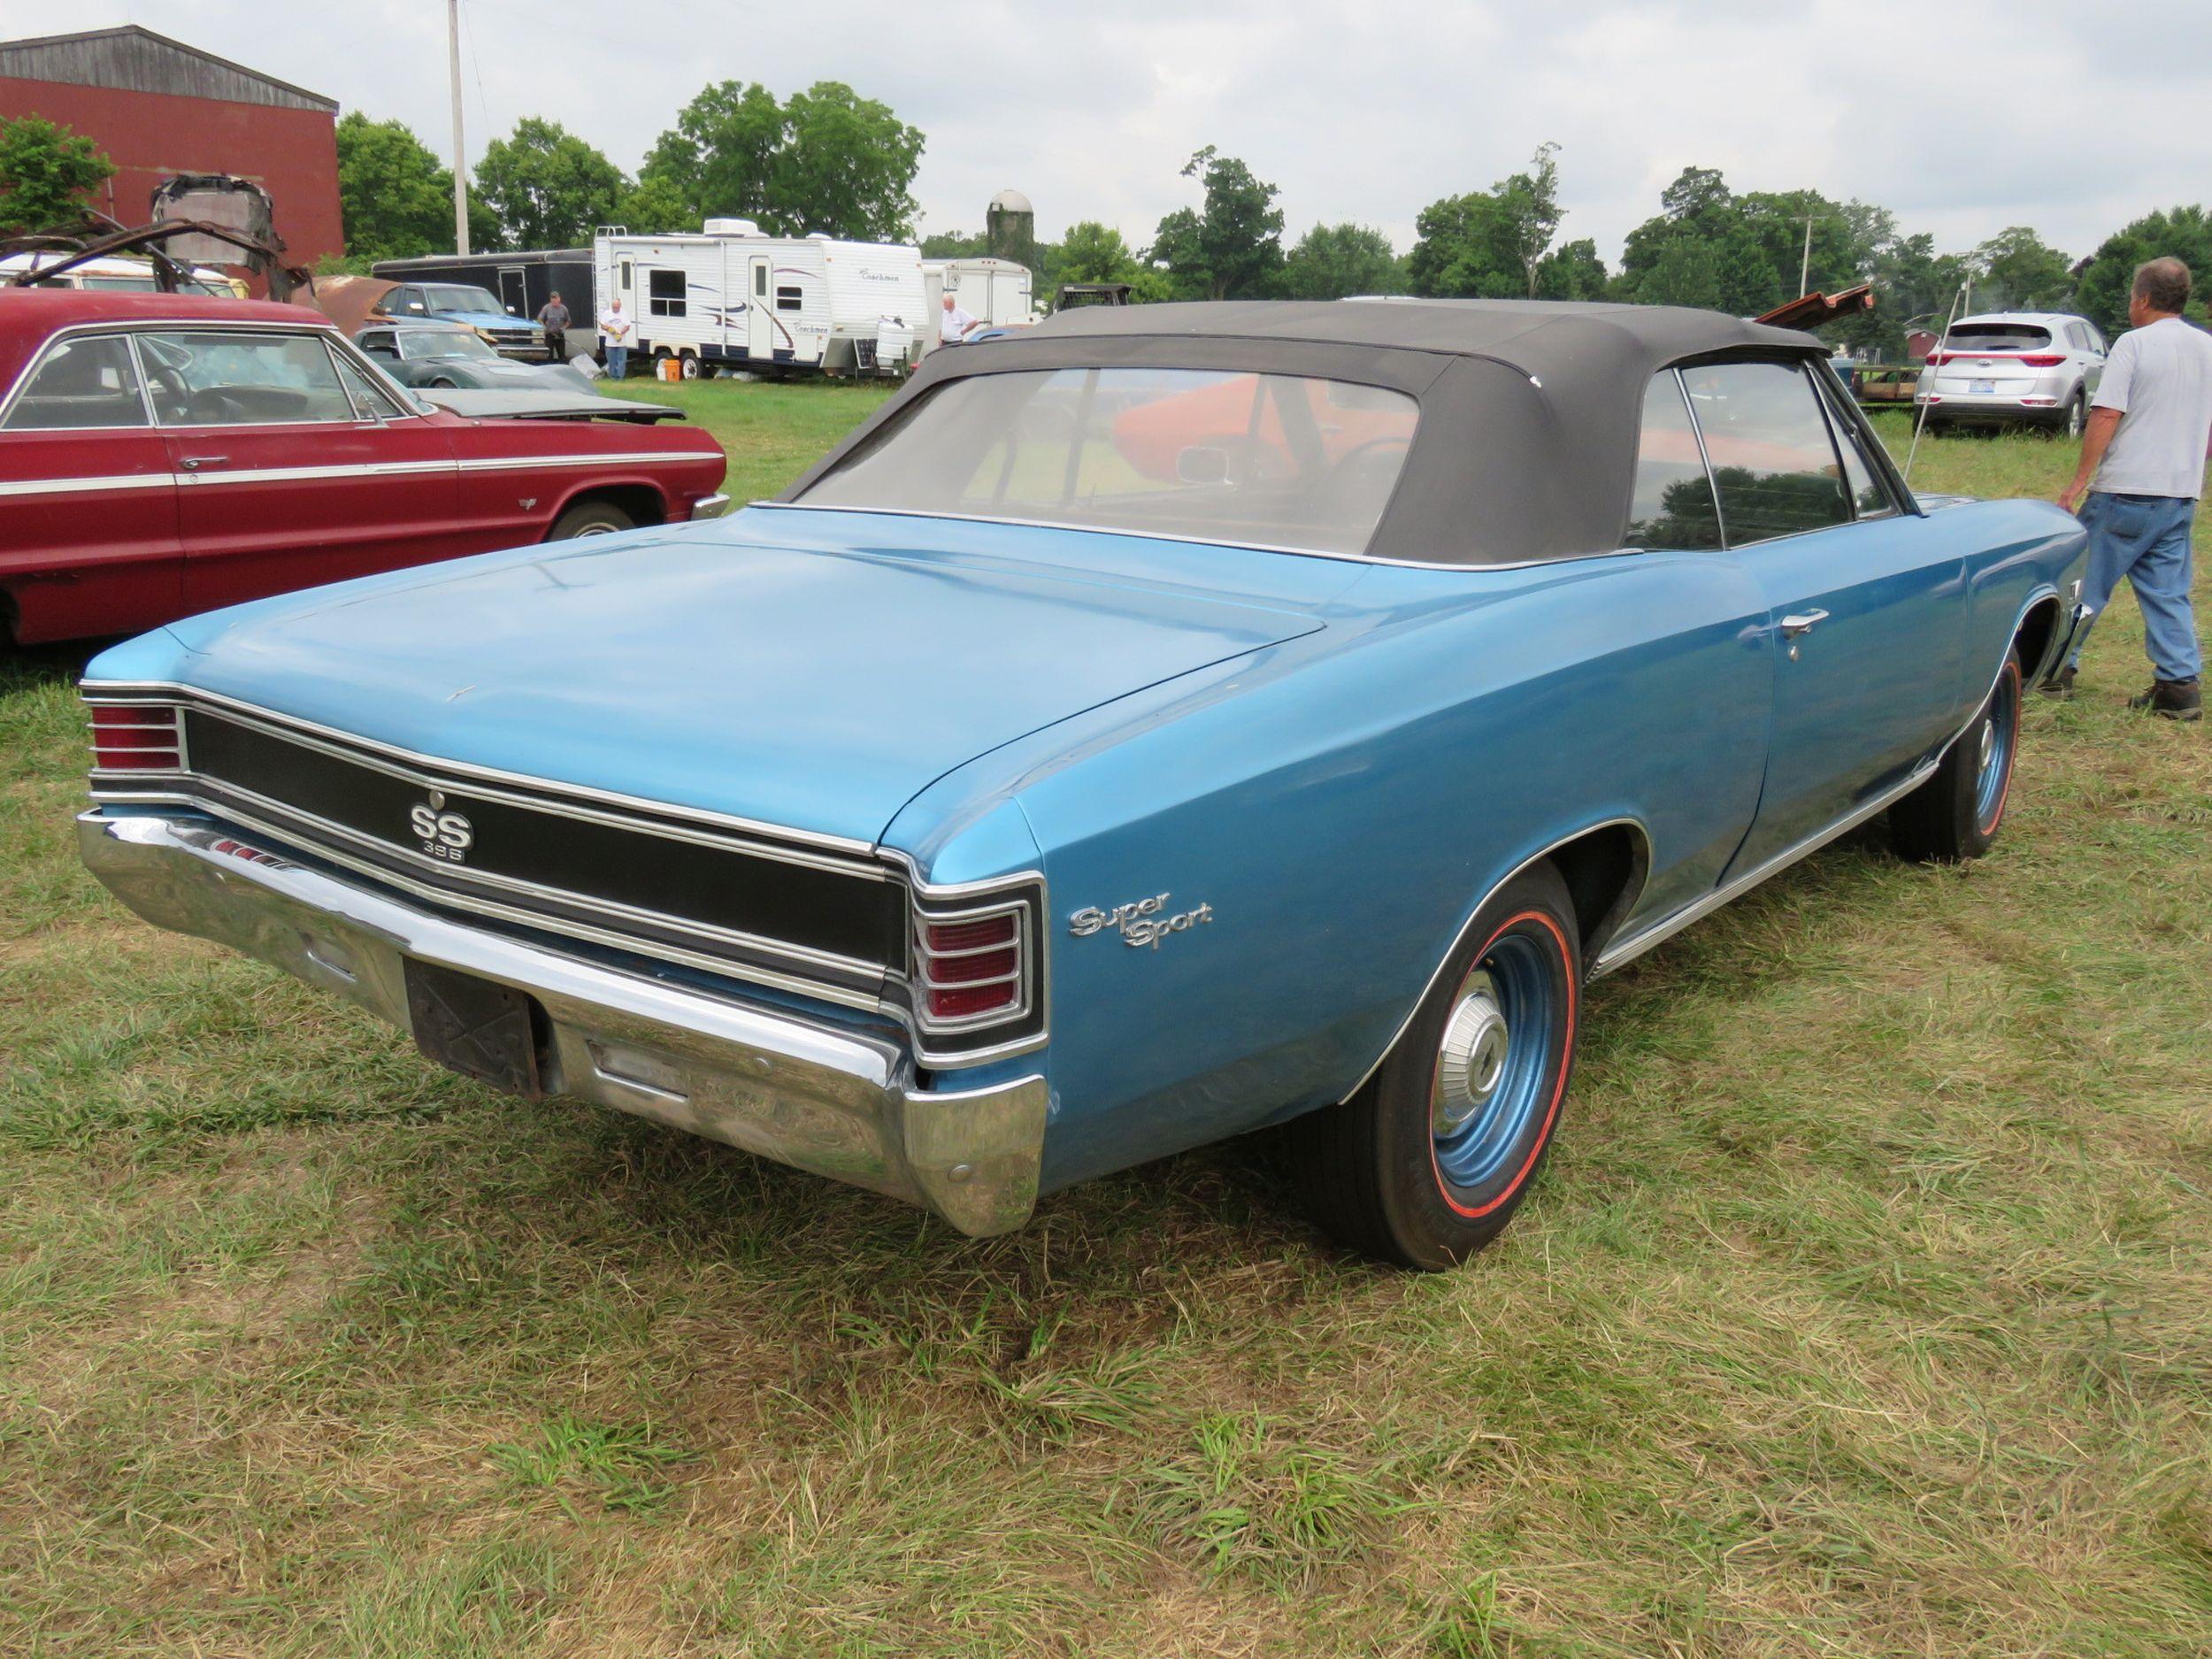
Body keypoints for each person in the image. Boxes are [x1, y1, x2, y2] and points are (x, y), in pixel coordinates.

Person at [2050, 257, 2210, 720]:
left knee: (2085, 581)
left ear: (2142, 299)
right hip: (2180, 493)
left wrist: (2079, 481)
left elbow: (2104, 414)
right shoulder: (2207, 346)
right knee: (2167, 590)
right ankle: (2179, 688)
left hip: (2126, 488)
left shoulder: (2133, 344)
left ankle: (2057, 669)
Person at [598, 296, 636, 380]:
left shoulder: (624, 313)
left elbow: (627, 326)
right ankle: (613, 377)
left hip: (621, 343)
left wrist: (620, 332)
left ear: (620, 306)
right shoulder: (607, 313)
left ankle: (620, 377)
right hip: (610, 343)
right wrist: (609, 329)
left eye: (618, 307)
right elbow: (602, 325)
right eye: (615, 307)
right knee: (612, 361)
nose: (616, 309)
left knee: (621, 361)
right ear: (612, 306)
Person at [536, 290, 571, 364]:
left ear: (559, 299)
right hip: (549, 335)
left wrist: (564, 328)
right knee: (549, 355)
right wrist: (544, 327)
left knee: (562, 355)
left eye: (555, 298)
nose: (554, 300)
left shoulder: (564, 309)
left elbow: (568, 321)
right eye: (552, 298)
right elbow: (539, 319)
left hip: (559, 335)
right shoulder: (546, 308)